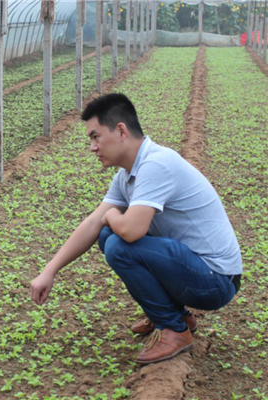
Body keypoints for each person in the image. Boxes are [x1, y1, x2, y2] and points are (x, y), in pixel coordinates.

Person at [30, 93, 242, 364]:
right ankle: (178, 316)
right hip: (195, 270)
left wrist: (111, 218)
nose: (92, 147)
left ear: (121, 130)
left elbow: (131, 231)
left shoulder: (156, 164)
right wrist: (50, 270)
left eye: (95, 137)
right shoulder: (127, 175)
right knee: (108, 236)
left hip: (216, 280)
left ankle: (174, 330)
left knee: (119, 242)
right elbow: (94, 222)